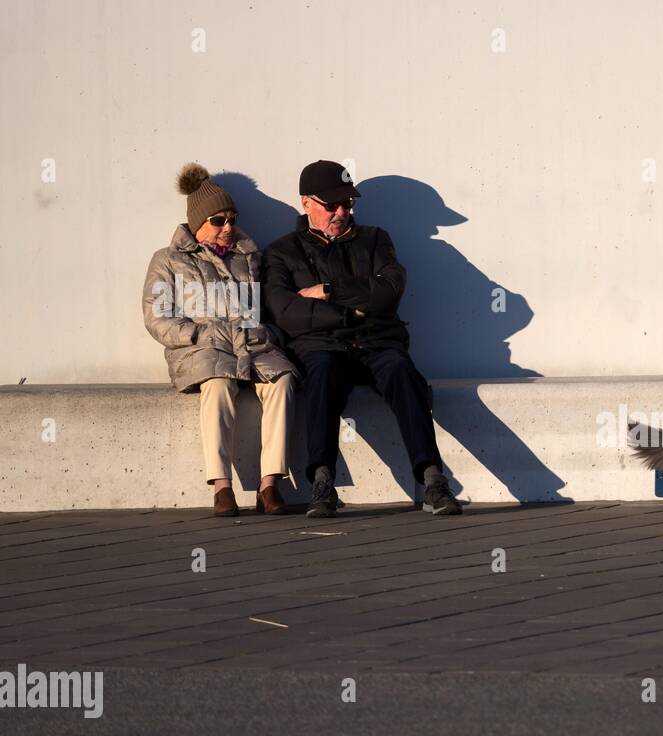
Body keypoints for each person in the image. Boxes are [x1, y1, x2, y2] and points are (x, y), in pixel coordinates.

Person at [263, 159, 461, 518]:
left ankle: (432, 480)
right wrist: (348, 311)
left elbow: (388, 293)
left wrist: (328, 290)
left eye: (347, 203)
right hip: (322, 346)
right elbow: (285, 311)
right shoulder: (282, 251)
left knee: (402, 371)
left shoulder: (375, 239)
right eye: (331, 205)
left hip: (377, 343)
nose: (341, 211)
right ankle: (322, 482)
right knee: (321, 374)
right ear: (306, 202)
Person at [142, 163, 299, 517]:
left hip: (252, 346)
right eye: (218, 221)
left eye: (231, 218)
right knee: (216, 384)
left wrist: (268, 333)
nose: (228, 227)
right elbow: (157, 316)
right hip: (205, 348)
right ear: (198, 223)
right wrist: (197, 333)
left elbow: (270, 309)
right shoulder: (168, 260)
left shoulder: (249, 257)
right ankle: (222, 486)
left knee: (284, 381)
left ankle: (270, 483)